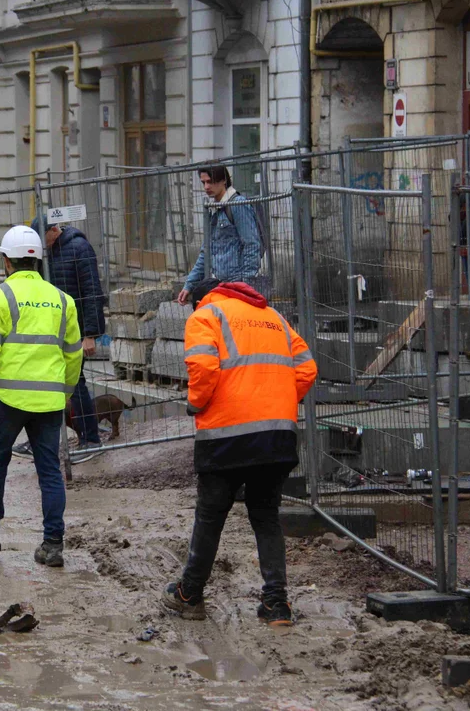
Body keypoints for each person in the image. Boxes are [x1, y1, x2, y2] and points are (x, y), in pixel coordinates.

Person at [162, 278, 318, 627]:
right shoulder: (274, 317)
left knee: (210, 515)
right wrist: (275, 398)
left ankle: (190, 594)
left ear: (201, 299)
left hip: (225, 435)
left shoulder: (206, 316)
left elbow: (203, 368)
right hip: (276, 434)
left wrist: (196, 402)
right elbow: (307, 369)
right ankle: (277, 605)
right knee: (266, 516)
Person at [0, 225, 83, 568]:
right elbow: (73, 354)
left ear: (6, 261)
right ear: (38, 261)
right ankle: (52, 543)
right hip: (49, 401)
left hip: (7, 398)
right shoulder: (63, 300)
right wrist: (66, 391)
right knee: (50, 471)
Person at [11, 216, 106, 461]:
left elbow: (92, 290)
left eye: (43, 237)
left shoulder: (79, 248)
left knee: (75, 383)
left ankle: (91, 439)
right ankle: (41, 440)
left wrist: (91, 334)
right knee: (45, 382)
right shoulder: (47, 253)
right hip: (52, 327)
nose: (41, 244)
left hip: (76, 327)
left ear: (54, 229)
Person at [178, 166, 264, 306]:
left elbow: (252, 244)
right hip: (219, 285)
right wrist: (189, 285)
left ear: (223, 180)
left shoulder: (237, 204)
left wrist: (245, 284)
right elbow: (206, 251)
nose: (206, 187)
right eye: (204, 182)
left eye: (211, 181)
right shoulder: (214, 209)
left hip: (236, 285)